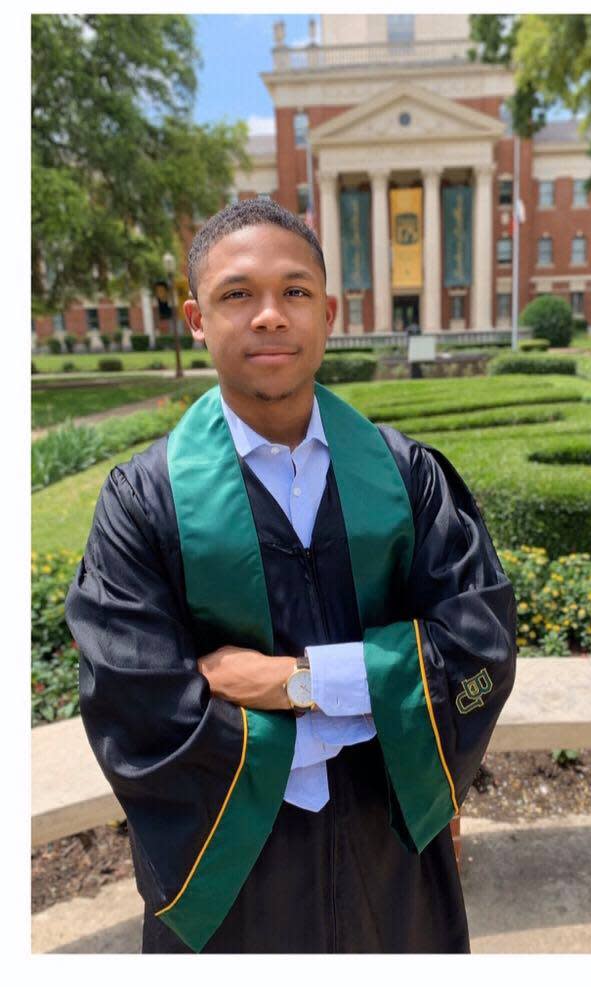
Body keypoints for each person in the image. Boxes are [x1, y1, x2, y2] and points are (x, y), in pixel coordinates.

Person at [65, 197, 517, 954]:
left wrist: (297, 683)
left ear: (329, 312)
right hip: (233, 879)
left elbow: (478, 647)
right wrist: (376, 703)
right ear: (196, 319)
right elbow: (133, 699)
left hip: (393, 860)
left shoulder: (407, 476)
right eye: (237, 294)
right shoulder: (144, 502)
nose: (270, 315)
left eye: (295, 291)